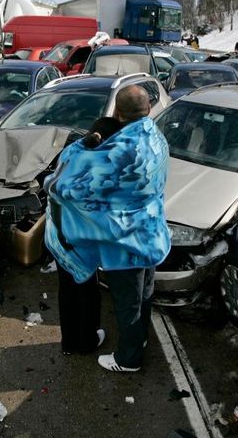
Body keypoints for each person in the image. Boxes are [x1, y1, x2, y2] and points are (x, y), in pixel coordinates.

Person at [43, 85, 170, 373]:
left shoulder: (119, 152)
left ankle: (128, 360)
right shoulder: (156, 136)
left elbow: (63, 186)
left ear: (118, 112)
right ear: (148, 109)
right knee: (144, 295)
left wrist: (80, 148)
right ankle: (139, 341)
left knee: (127, 303)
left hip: (126, 244)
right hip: (150, 233)